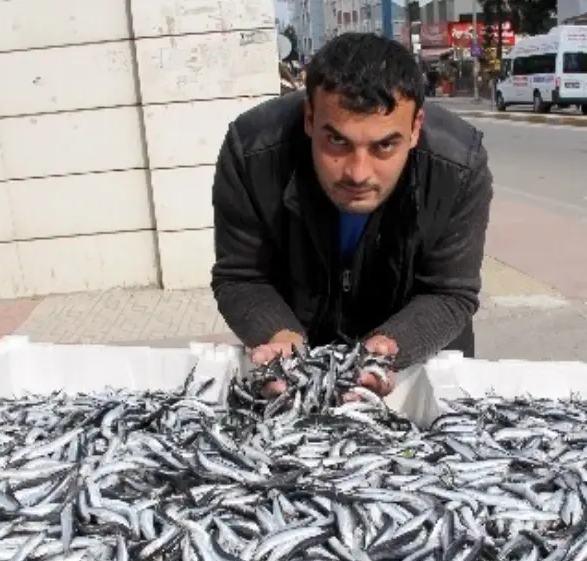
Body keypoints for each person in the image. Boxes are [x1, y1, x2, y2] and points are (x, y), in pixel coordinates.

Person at [210, 33, 493, 397]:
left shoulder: (459, 165)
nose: (358, 173)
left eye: (385, 146)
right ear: (310, 118)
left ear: (415, 127)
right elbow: (241, 276)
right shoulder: (250, 152)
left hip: (416, 360)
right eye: (338, 142)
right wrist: (279, 335)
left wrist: (388, 350)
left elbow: (451, 292)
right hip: (292, 361)